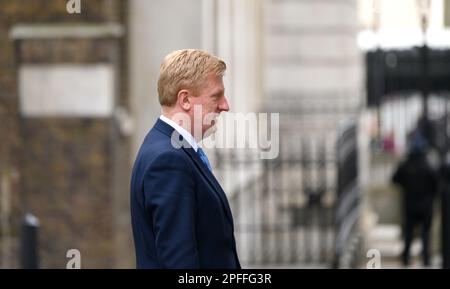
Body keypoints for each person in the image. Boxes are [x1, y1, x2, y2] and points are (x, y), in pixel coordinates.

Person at [130, 49, 240, 269]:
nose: (225, 105)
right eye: (216, 96)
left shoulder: (169, 149)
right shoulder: (169, 161)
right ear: (186, 99)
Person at [392, 132, 438, 267]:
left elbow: (395, 179)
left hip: (410, 204)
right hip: (426, 205)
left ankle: (406, 259)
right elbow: (436, 184)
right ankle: (426, 260)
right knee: (426, 234)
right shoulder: (429, 166)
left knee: (408, 234)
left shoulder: (405, 165)